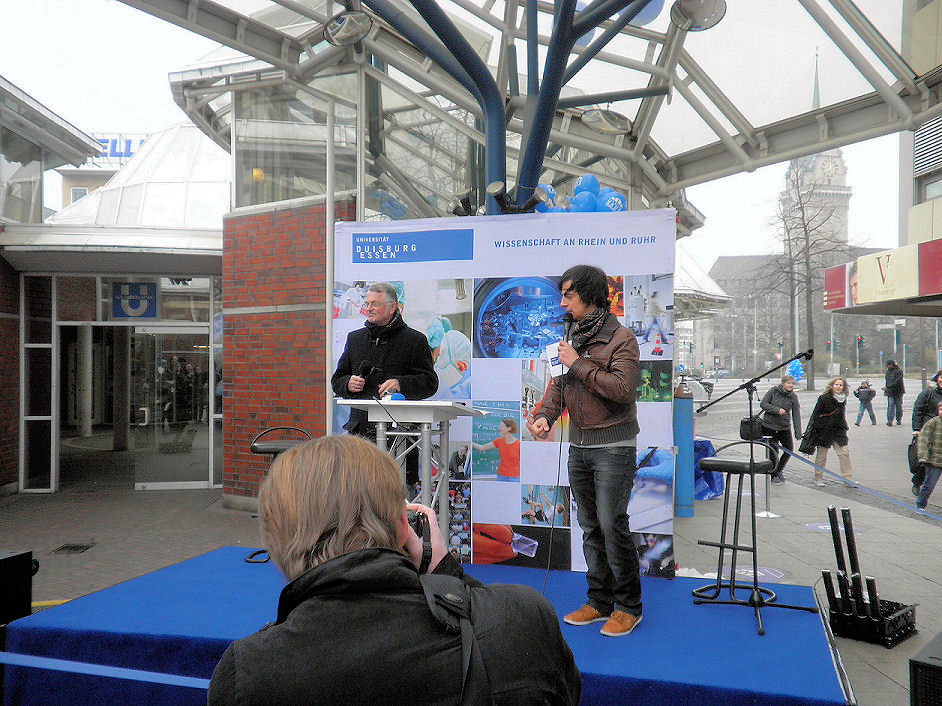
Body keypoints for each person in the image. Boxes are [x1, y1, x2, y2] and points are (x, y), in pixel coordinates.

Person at [207, 435, 581, 705]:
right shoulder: (522, 617)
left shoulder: (248, 673)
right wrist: (445, 573)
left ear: (275, 546)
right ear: (405, 524)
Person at [528, 264, 643, 638]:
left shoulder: (621, 338)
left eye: (569, 295)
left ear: (591, 296)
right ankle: (599, 601)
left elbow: (622, 390)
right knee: (591, 527)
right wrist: (544, 417)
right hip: (579, 447)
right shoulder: (569, 337)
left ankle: (628, 607)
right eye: (562, 295)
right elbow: (558, 388)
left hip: (613, 447)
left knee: (612, 525)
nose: (563, 303)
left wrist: (577, 362)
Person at [331, 282, 437, 484]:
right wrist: (347, 383)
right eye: (367, 303)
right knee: (358, 491)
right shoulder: (355, 339)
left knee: (397, 494)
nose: (368, 308)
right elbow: (337, 380)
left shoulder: (415, 340)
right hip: (361, 436)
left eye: (375, 304)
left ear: (392, 307)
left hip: (400, 437)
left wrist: (400, 384)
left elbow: (430, 383)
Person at [805, 377, 854, 486]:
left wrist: (844, 427)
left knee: (844, 453)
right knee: (822, 456)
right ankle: (818, 478)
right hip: (824, 431)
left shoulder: (843, 399)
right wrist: (819, 428)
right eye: (836, 384)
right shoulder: (824, 398)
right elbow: (816, 414)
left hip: (838, 431)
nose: (838, 387)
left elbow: (841, 415)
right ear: (832, 386)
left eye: (841, 385)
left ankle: (847, 478)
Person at [759, 374, 801, 484]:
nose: (790, 385)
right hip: (769, 426)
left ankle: (779, 470)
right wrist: (776, 410)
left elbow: (796, 414)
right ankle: (773, 474)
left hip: (784, 427)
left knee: (789, 449)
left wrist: (798, 432)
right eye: (788, 383)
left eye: (792, 383)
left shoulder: (793, 397)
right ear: (783, 383)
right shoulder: (773, 392)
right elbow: (763, 404)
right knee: (773, 451)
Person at [915, 401, 942, 510]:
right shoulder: (933, 423)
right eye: (940, 409)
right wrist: (923, 456)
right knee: (929, 485)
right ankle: (920, 504)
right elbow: (923, 440)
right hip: (934, 460)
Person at [911, 370, 942, 435]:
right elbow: (918, 410)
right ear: (937, 379)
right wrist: (916, 429)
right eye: (941, 377)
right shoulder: (928, 393)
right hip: (930, 432)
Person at [883, 359, 905, 426]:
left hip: (898, 391)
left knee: (898, 406)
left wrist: (888, 386)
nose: (887, 366)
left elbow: (898, 381)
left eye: (888, 365)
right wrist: (886, 388)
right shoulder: (888, 372)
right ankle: (890, 420)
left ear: (892, 365)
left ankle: (898, 420)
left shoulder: (899, 371)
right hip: (890, 391)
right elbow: (887, 382)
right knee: (890, 406)